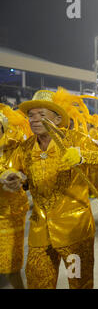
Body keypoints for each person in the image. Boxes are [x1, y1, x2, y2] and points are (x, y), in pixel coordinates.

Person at [1, 89, 98, 289]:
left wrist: (81, 157)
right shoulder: (25, 147)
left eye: (41, 115)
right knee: (38, 280)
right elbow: (12, 169)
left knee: (79, 281)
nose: (34, 120)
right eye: (31, 115)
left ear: (57, 117)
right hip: (40, 228)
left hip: (75, 231)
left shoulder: (75, 139)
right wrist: (12, 178)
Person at [0, 105, 31, 289]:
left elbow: (29, 172)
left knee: (11, 262)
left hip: (11, 213)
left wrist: (20, 178)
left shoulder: (15, 147)